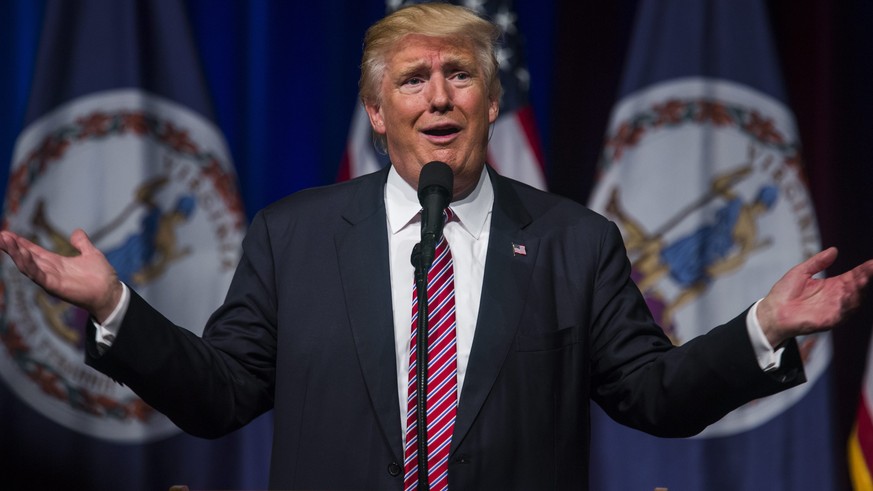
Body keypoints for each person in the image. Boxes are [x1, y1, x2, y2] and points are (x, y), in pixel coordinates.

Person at [0, 3, 871, 490]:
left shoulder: (574, 241)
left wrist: (762, 325)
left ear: (492, 104)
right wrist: (116, 308)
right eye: (413, 79)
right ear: (377, 114)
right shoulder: (293, 236)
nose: (439, 97)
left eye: (461, 75)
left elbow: (654, 396)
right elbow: (220, 396)